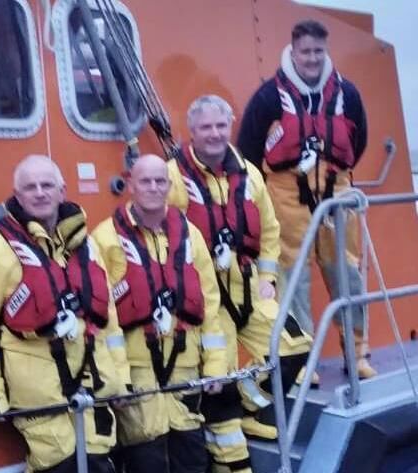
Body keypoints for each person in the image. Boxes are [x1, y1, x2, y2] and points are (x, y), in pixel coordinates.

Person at [168, 95, 312, 469]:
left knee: (296, 347)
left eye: (220, 126)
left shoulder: (248, 173)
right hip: (207, 300)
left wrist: (267, 278)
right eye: (205, 127)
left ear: (229, 126)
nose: (214, 134)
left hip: (248, 287)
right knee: (220, 381)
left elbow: (269, 232)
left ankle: (251, 404)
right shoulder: (172, 178)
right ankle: (230, 461)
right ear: (192, 132)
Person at [0, 155, 130, 473]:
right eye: (30, 187)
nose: (40, 192)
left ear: (62, 191)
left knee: (99, 461)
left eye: (47, 185)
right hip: (38, 392)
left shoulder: (86, 244)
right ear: (17, 196)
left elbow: (109, 322)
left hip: (93, 382)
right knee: (58, 464)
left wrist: (122, 380)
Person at [237, 20, 374, 379]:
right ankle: (302, 361)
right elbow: (249, 149)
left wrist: (333, 177)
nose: (312, 58)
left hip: (337, 194)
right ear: (293, 51)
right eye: (306, 51)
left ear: (325, 51)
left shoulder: (349, 94)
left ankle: (357, 353)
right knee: (292, 278)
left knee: (347, 272)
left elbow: (358, 143)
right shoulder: (268, 97)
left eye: (318, 51)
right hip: (286, 195)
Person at [92, 154, 226, 473]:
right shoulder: (105, 239)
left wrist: (217, 364)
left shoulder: (190, 235)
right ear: (131, 186)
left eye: (160, 180)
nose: (153, 187)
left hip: (185, 369)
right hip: (137, 376)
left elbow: (209, 302)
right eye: (145, 181)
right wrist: (119, 379)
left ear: (169, 185)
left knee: (192, 460)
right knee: (146, 461)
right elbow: (102, 320)